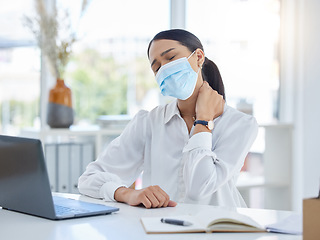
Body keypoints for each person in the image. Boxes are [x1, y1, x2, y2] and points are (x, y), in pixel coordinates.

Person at [78, 29, 258, 209]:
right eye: (156, 67)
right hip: (159, 228)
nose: (164, 68)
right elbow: (89, 179)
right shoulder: (149, 122)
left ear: (198, 57)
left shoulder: (240, 124)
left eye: (170, 58)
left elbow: (199, 188)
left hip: (217, 230)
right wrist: (127, 193)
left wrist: (203, 120)